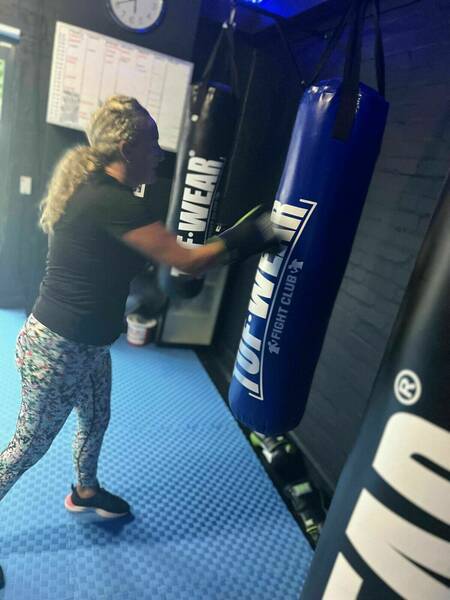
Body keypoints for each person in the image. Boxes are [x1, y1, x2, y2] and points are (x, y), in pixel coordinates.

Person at [0, 96, 277, 588]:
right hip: (57, 350)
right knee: (26, 449)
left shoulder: (104, 191)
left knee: (96, 419)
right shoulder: (111, 200)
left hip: (87, 345)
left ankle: (85, 492)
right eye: (152, 144)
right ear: (127, 147)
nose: (160, 154)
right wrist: (258, 232)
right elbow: (188, 262)